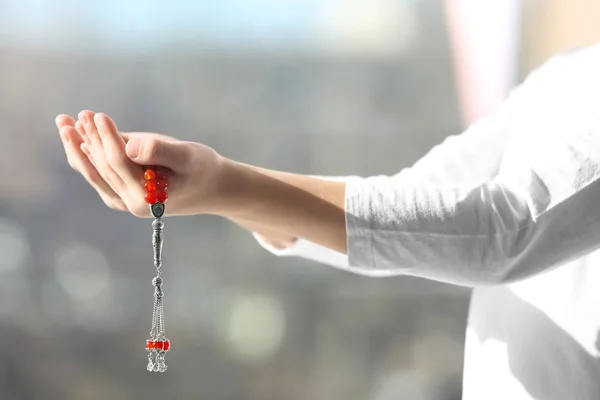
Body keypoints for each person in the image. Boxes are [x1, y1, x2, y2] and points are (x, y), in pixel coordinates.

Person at [57, 43, 600, 400]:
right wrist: (218, 191)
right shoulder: (568, 74)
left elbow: (503, 232)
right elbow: (417, 209)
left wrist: (226, 185)